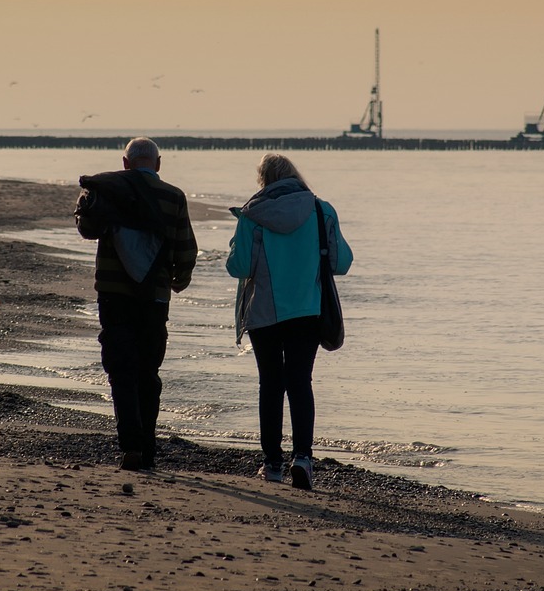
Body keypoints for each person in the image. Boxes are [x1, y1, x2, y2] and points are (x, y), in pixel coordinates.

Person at [226, 153, 352, 490]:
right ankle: (303, 457)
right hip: (306, 310)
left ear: (263, 180)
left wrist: (237, 243)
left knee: (270, 384)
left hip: (264, 312)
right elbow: (341, 262)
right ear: (294, 176)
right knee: (300, 381)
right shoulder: (320, 209)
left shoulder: (252, 214)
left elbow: (238, 268)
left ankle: (272, 464)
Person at [74, 137, 197, 471]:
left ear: (125, 163)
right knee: (148, 372)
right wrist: (179, 280)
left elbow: (87, 229)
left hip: (113, 294)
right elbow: (186, 249)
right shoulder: (174, 197)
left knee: (120, 370)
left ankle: (130, 445)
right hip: (154, 297)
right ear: (158, 164)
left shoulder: (108, 188)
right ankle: (148, 448)